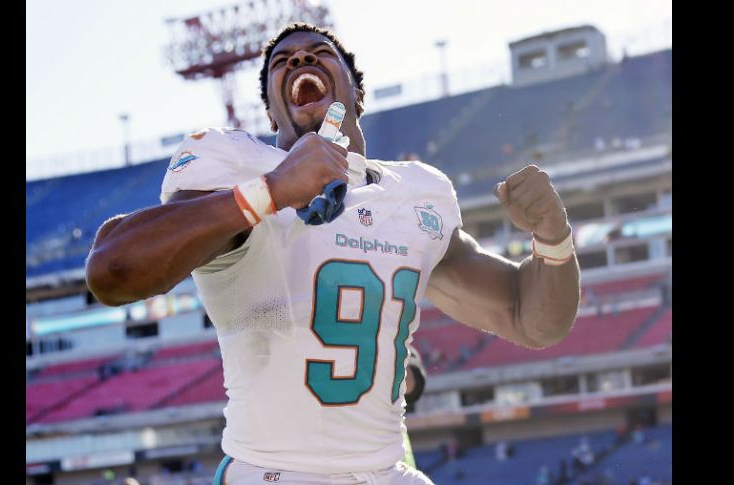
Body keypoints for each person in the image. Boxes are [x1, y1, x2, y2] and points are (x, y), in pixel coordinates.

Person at [86, 22, 580, 485]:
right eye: (282, 61)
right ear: (271, 109)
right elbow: (113, 270)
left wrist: (553, 239)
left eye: (322, 53)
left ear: (356, 94)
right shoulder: (240, 164)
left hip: (386, 471)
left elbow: (530, 318)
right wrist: (273, 191)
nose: (300, 57)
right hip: (273, 471)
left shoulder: (418, 193)